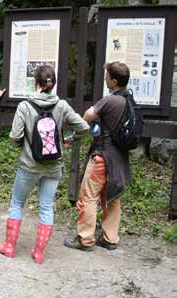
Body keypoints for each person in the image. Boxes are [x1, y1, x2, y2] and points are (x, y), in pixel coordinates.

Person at [0, 65, 89, 264]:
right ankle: (38, 253)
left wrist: (23, 145)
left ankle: (10, 247)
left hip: (29, 165)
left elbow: (14, 137)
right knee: (46, 207)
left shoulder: (24, 106)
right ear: (53, 84)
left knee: (17, 203)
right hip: (54, 166)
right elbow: (84, 127)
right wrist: (69, 140)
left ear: (35, 83)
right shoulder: (62, 106)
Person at [64, 61, 133, 251]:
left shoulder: (110, 100)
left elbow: (87, 115)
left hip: (102, 157)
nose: (105, 78)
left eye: (107, 76)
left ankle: (85, 239)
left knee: (88, 196)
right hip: (119, 157)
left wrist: (74, 135)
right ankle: (110, 238)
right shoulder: (129, 100)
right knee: (113, 197)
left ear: (114, 80)